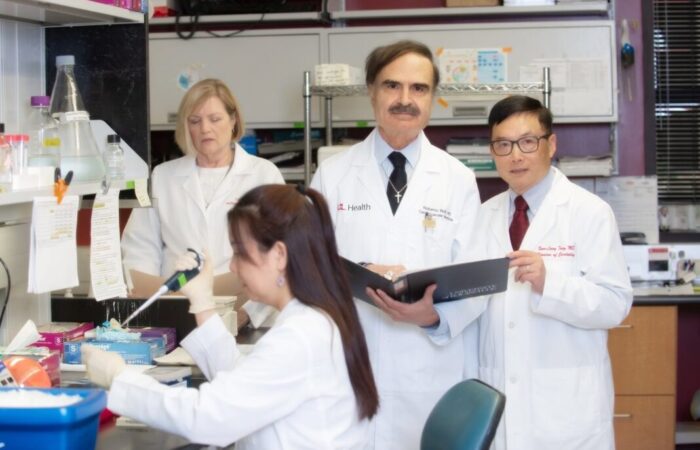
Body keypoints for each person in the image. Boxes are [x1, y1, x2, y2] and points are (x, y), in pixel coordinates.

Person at [82, 184, 380, 449]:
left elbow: (207, 417)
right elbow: (241, 381)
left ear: (279, 255)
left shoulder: (301, 336)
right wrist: (202, 302)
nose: (234, 268)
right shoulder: (315, 318)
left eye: (239, 252)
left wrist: (120, 378)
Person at [311, 40, 485, 450]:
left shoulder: (458, 180)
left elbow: (477, 282)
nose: (405, 100)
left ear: (433, 98)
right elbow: (308, 266)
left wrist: (432, 316)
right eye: (392, 86)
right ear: (371, 91)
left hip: (427, 372)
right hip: (350, 369)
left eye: (419, 89)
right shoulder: (332, 174)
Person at [477, 95, 633, 450]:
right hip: (497, 403)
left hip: (565, 412)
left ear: (551, 144)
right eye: (503, 145)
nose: (516, 155)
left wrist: (551, 284)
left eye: (528, 142)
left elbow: (614, 304)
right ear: (492, 152)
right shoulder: (482, 216)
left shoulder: (589, 212)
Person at [121, 78, 283, 327]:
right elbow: (139, 249)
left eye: (215, 119)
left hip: (243, 314)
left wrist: (249, 314)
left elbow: (281, 256)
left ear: (233, 120)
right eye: (195, 121)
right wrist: (153, 308)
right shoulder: (163, 176)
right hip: (175, 315)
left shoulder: (263, 175)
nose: (205, 128)